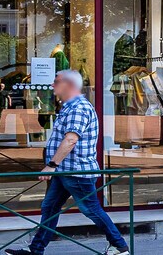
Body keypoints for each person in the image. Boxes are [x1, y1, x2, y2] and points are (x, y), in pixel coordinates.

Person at [14, 70, 129, 255]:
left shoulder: (79, 108)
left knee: (90, 208)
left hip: (76, 172)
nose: (53, 85)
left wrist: (51, 166)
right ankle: (35, 249)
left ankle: (120, 246)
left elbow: (70, 140)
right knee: (50, 208)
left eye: (56, 81)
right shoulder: (69, 106)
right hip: (64, 171)